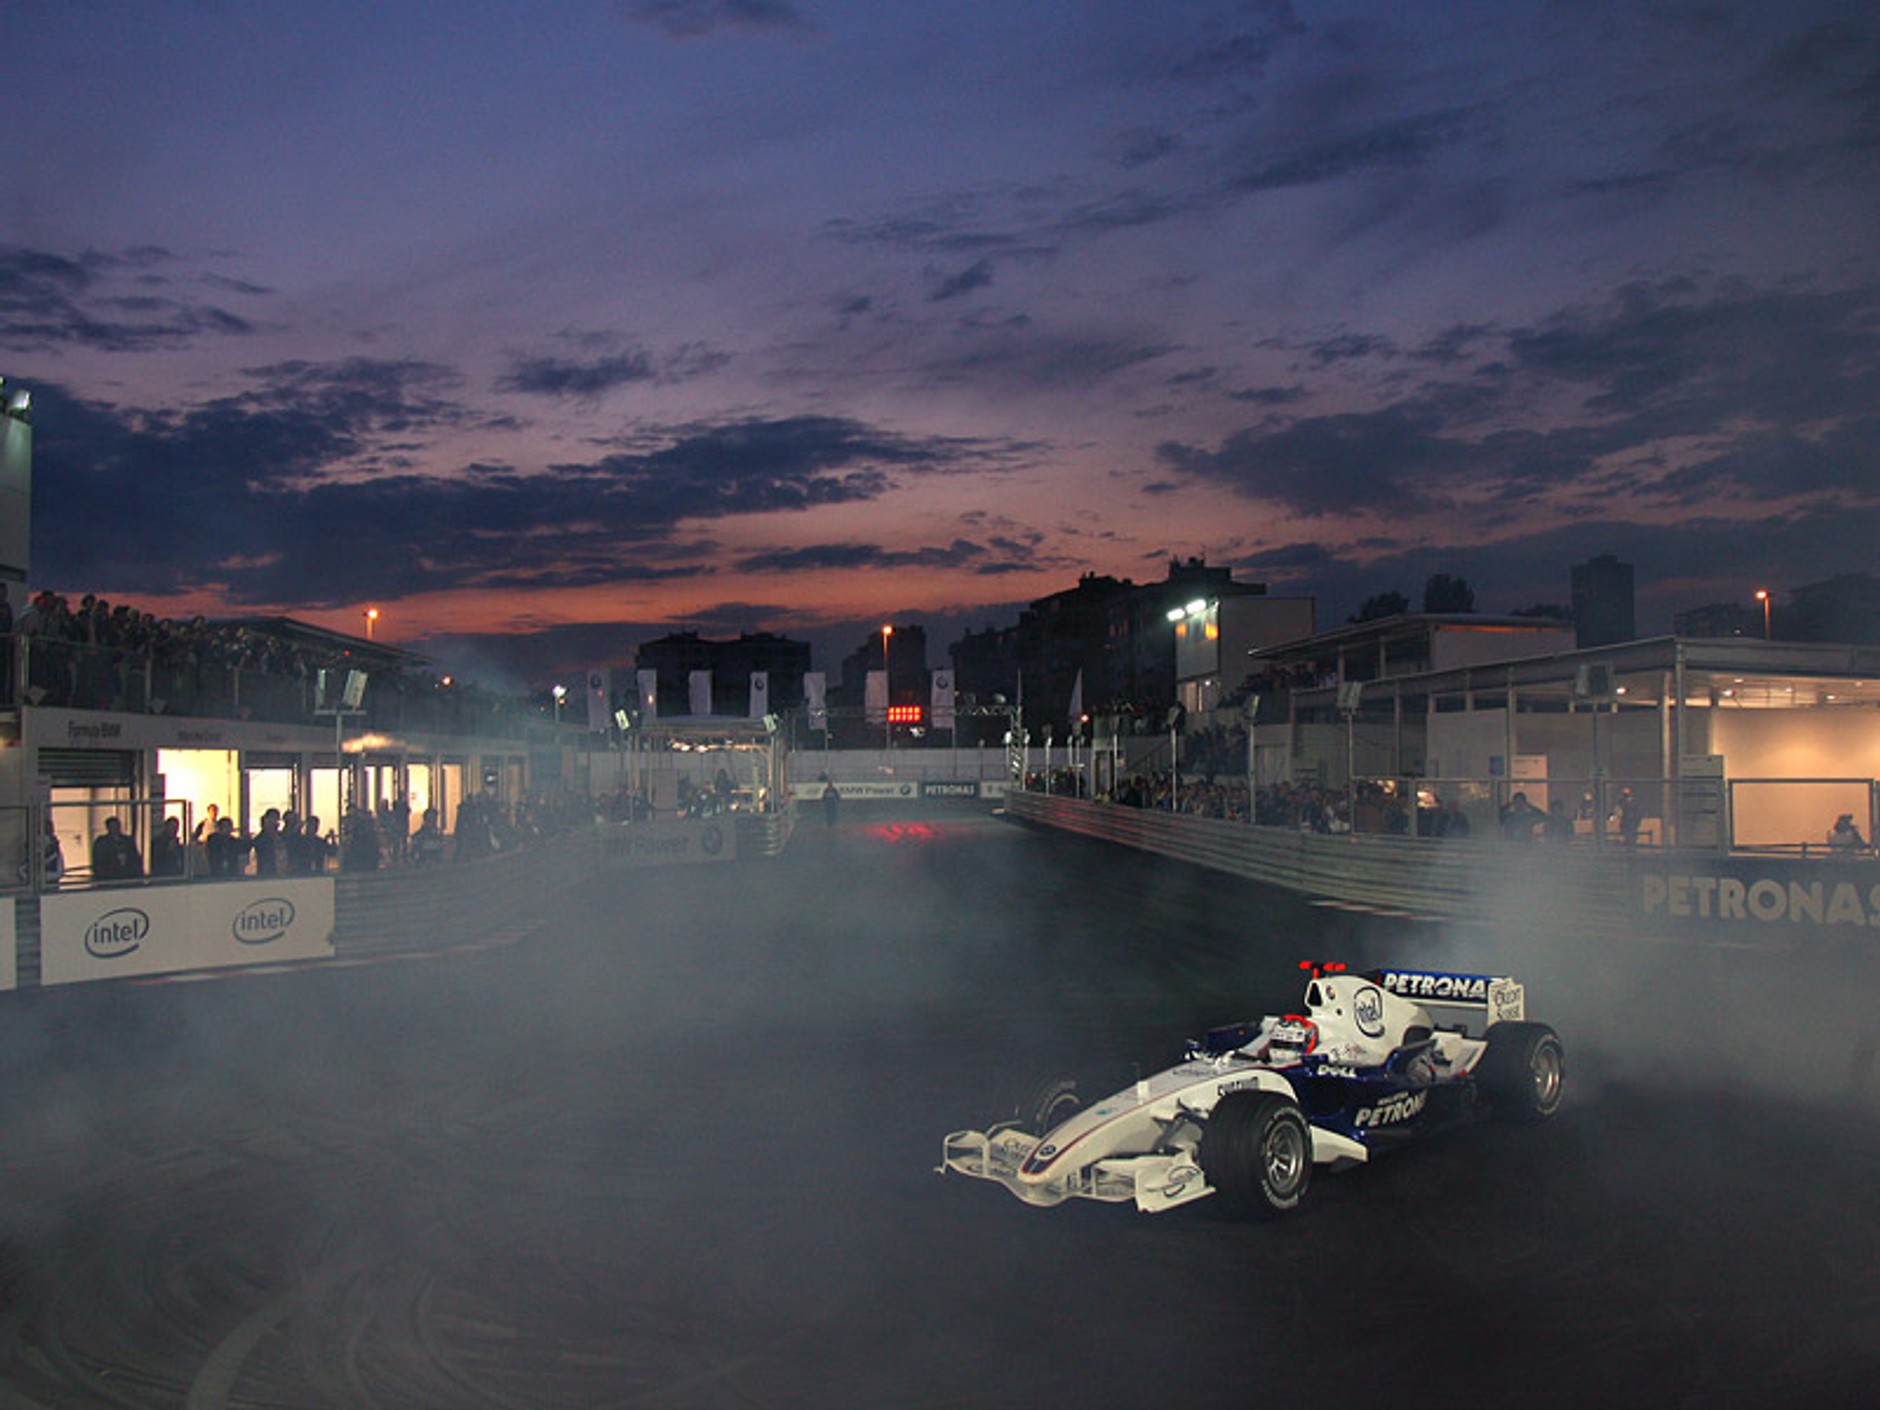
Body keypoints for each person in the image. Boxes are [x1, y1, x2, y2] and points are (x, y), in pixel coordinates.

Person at [91, 815, 143, 881]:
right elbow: (98, 861)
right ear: (107, 828)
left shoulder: (128, 841)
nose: (114, 829)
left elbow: (135, 857)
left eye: (116, 826)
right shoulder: (102, 842)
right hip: (109, 877)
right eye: (112, 826)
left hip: (128, 876)